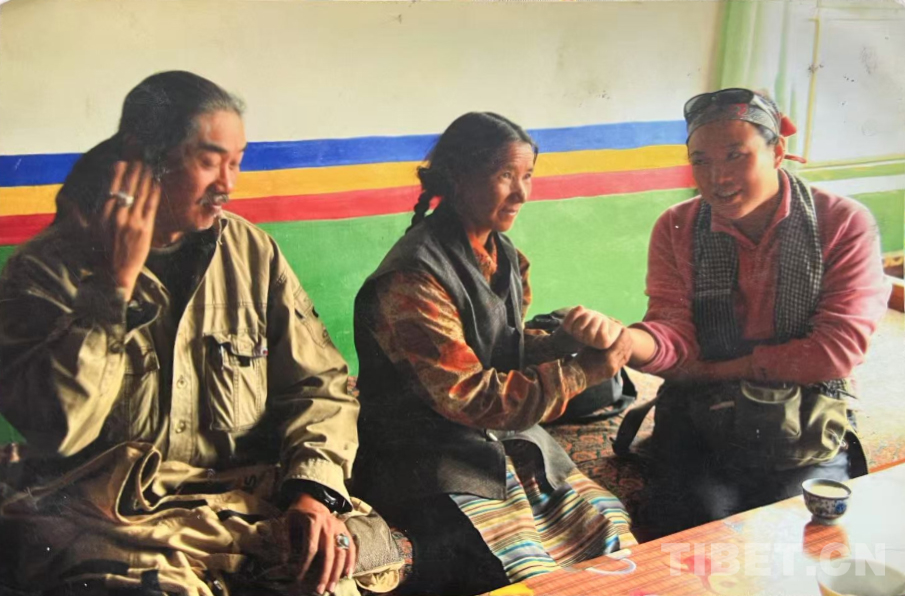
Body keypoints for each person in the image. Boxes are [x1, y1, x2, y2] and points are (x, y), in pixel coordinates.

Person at [0, 71, 401, 596]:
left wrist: (312, 491)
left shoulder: (253, 254)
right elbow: (61, 428)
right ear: (145, 158)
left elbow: (320, 386)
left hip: (240, 501)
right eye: (210, 161)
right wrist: (112, 287)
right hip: (108, 515)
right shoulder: (45, 270)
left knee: (344, 564)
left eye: (236, 162)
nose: (228, 184)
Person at [352, 112, 636, 596]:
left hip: (495, 441)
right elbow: (471, 395)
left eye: (528, 176)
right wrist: (580, 373)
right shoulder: (412, 278)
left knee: (612, 532)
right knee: (527, 571)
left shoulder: (503, 255)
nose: (522, 193)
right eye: (506, 175)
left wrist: (566, 341)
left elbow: (503, 350)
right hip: (428, 457)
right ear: (458, 177)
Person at [607, 88, 891, 538]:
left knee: (795, 527)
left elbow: (835, 352)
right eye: (700, 161)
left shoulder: (842, 222)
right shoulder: (677, 226)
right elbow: (675, 332)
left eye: (735, 156)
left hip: (806, 410)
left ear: (778, 151)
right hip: (701, 409)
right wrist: (628, 342)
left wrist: (718, 369)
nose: (717, 178)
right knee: (695, 529)